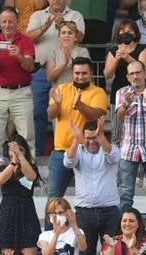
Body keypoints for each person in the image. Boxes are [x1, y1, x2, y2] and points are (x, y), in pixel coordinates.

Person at [63, 122, 122, 255]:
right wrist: (76, 140)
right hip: (84, 213)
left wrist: (100, 135)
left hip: (109, 212)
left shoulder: (111, 149)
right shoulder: (78, 151)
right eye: (88, 138)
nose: (91, 141)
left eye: (95, 137)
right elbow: (68, 162)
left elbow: (114, 156)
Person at [26, 0, 86, 154]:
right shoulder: (38, 15)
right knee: (38, 113)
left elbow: (80, 37)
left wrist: (64, 25)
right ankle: (38, 154)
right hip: (40, 70)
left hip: (67, 72)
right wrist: (44, 28)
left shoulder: (75, 15)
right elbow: (27, 39)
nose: (56, 0)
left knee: (64, 113)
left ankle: (63, 152)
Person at [46, 60, 109, 200]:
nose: (80, 77)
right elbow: (50, 115)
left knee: (89, 197)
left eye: (84, 73)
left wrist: (78, 104)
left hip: (87, 153)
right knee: (53, 199)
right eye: (77, 73)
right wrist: (57, 104)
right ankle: (51, 223)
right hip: (61, 152)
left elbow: (94, 116)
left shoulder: (99, 92)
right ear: (72, 73)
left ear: (91, 74)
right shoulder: (62, 89)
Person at [114, 59, 146, 219]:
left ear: (145, 74)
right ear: (128, 77)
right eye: (132, 73)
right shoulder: (121, 93)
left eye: (138, 72)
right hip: (128, 149)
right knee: (125, 194)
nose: (135, 76)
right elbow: (119, 116)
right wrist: (126, 104)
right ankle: (120, 233)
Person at [0, 7, 36, 153]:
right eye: (4, 21)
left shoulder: (26, 41)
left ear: (17, 22)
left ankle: (28, 173)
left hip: (22, 92)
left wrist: (19, 56)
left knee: (27, 137)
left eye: (10, 21)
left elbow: (30, 67)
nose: (7, 25)